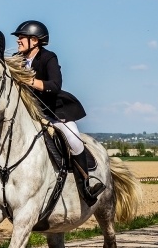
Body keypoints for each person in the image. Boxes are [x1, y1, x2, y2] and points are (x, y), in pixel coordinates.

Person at [12, 20, 104, 206]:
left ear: (35, 41)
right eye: (18, 37)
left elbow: (55, 85)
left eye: (22, 37)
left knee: (74, 140)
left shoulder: (48, 58)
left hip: (52, 111)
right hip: (27, 114)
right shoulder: (16, 59)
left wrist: (29, 80)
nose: (18, 40)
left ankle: (85, 187)